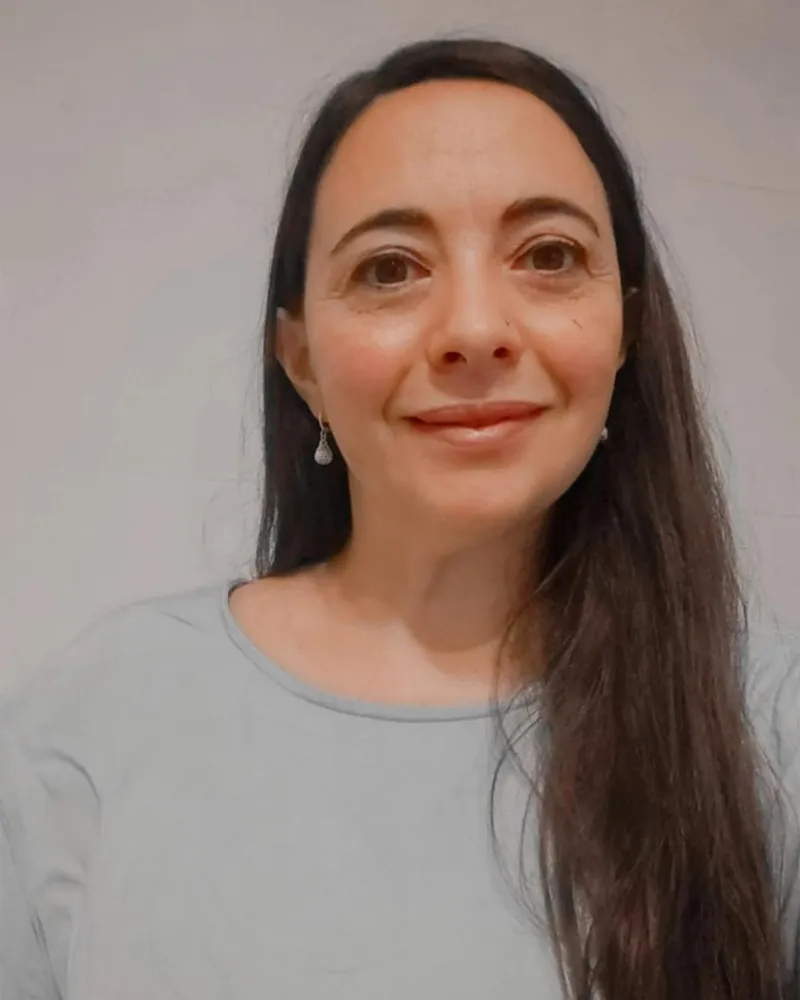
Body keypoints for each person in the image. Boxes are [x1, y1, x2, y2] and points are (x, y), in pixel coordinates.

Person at [1, 35, 798, 1000]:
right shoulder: (89, 730)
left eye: (549, 255)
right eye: (389, 269)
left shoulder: (768, 732)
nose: (475, 330)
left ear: (626, 331)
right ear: (301, 360)